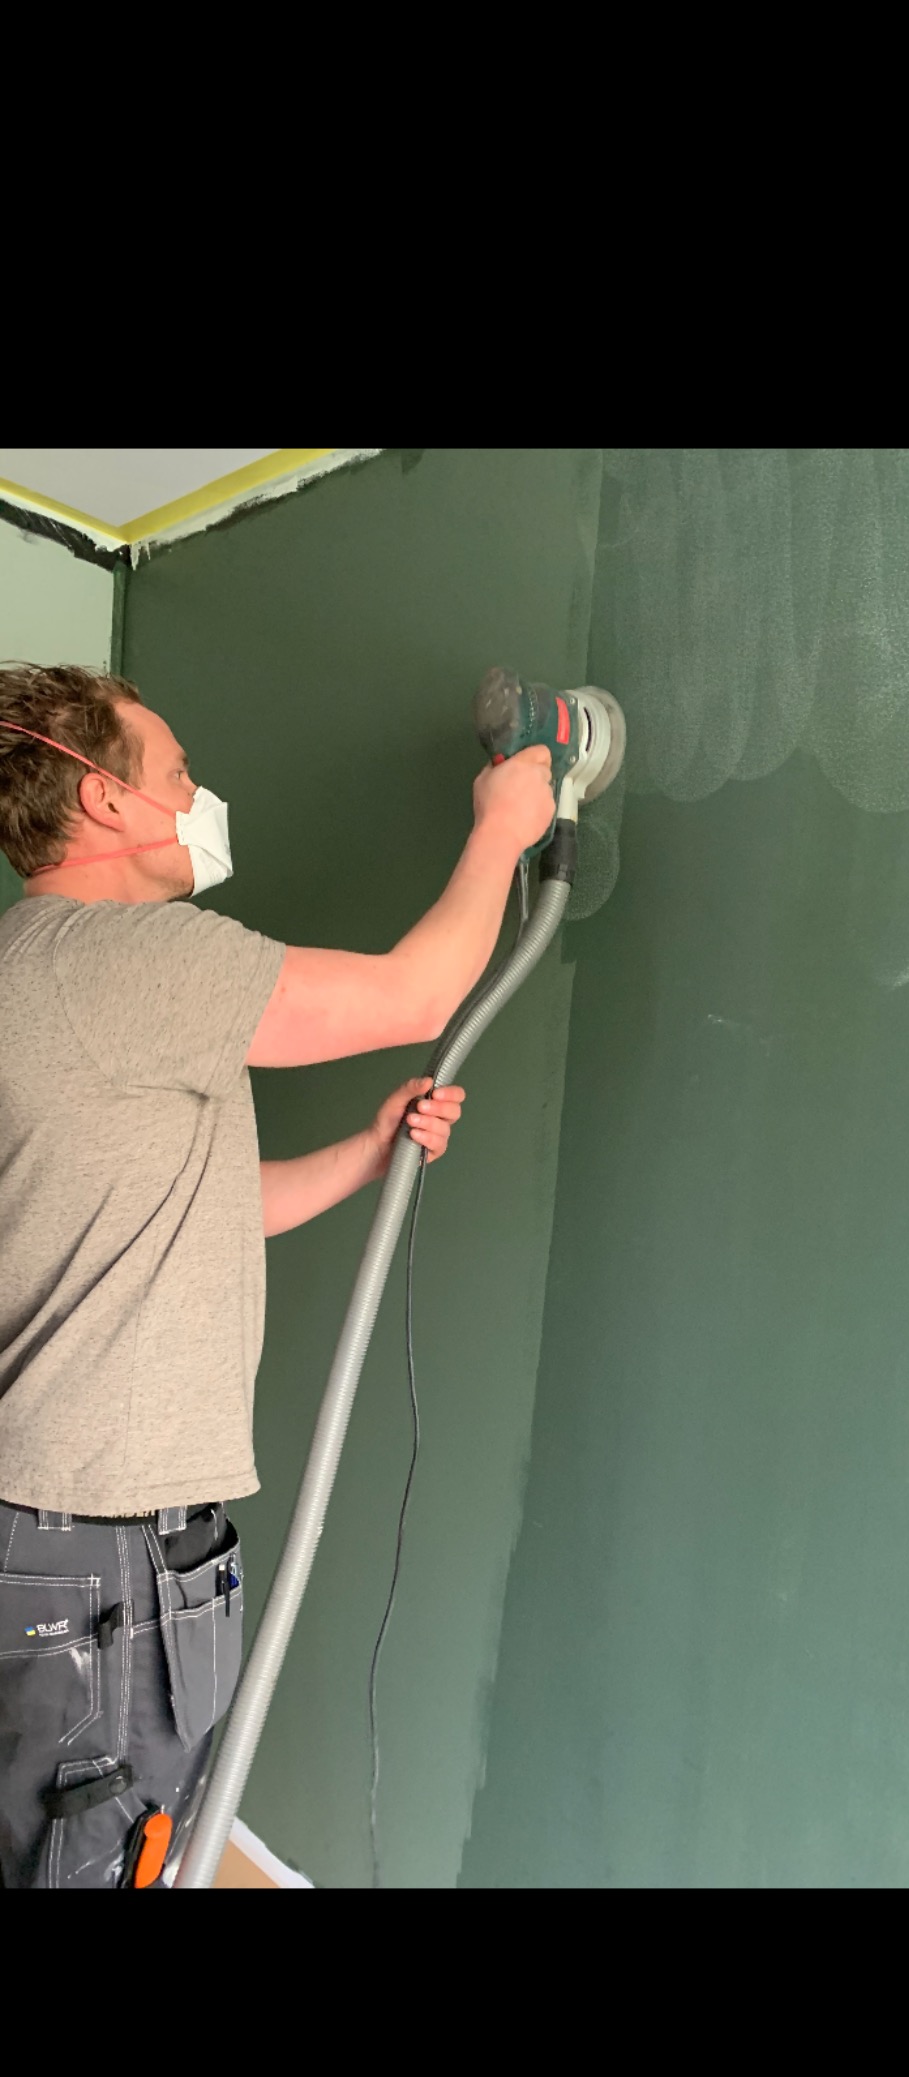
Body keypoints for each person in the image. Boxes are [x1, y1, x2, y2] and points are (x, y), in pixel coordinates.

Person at [0, 663, 553, 1888]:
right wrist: (504, 830)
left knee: (60, 1840)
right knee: (106, 1856)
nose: (200, 795)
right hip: (104, 1548)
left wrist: (363, 1155)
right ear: (102, 798)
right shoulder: (124, 958)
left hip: (48, 1530)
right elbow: (415, 993)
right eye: (178, 771)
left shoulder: (26, 971)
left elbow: (178, 1212)